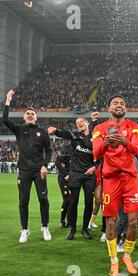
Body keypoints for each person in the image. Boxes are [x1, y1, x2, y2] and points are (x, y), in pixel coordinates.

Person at [92, 95, 138, 276]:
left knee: (134, 222)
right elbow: (96, 154)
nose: (119, 105)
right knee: (111, 222)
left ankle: (127, 256)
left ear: (126, 109)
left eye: (122, 103)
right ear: (109, 108)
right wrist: (105, 145)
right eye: (115, 103)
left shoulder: (134, 127)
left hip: (130, 179)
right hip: (111, 180)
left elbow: (137, 150)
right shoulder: (99, 129)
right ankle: (114, 260)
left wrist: (124, 141)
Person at [3, 90, 52, 243]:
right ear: (24, 117)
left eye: (32, 113)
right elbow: (5, 120)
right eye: (28, 113)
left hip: (39, 171)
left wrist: (45, 165)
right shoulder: (19, 129)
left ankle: (45, 227)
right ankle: (25, 230)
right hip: (24, 171)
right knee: (23, 201)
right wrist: (7, 101)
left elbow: (49, 151)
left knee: (43, 199)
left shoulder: (42, 132)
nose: (30, 114)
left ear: (36, 117)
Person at [48, 118, 97, 240]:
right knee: (73, 202)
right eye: (77, 123)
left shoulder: (96, 137)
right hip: (75, 174)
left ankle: (85, 229)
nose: (79, 124)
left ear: (87, 123)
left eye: (81, 121)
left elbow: (101, 155)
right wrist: (56, 131)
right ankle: (73, 229)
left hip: (89, 174)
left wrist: (94, 167)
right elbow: (64, 134)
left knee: (89, 202)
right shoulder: (75, 136)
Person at [55, 145, 72, 228]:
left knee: (70, 200)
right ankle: (62, 220)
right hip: (63, 179)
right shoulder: (64, 151)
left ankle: (69, 221)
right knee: (67, 199)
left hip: (71, 178)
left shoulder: (74, 151)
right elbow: (57, 163)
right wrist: (65, 175)